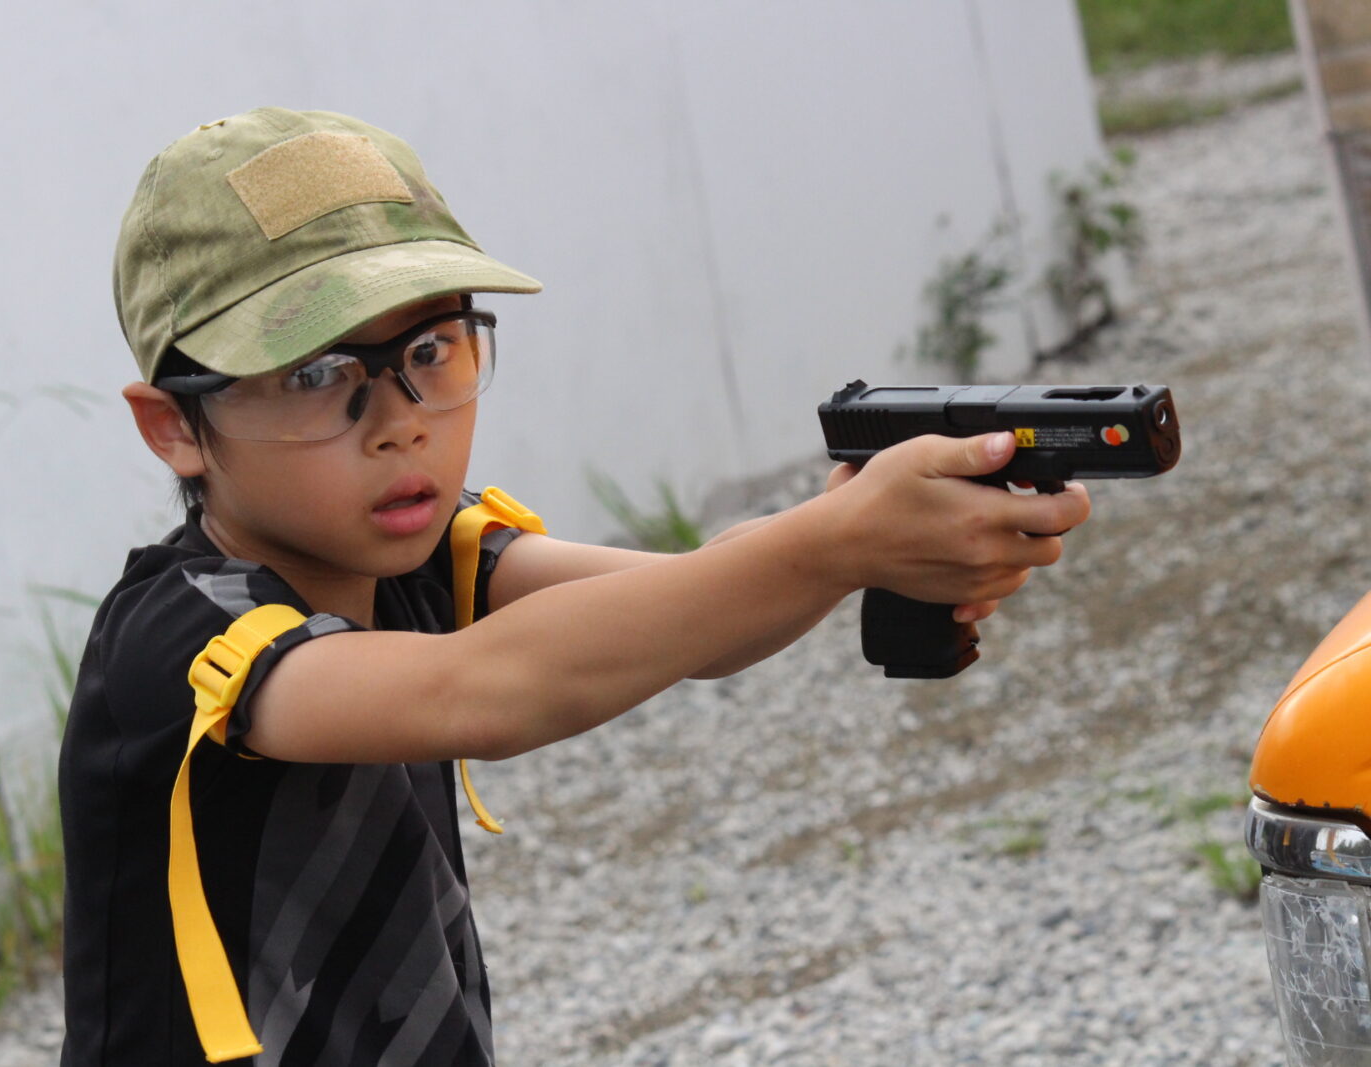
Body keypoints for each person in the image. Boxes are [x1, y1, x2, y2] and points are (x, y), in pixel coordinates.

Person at [57, 108, 1091, 1067]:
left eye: (431, 349)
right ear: (174, 425)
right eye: (317, 375)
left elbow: (690, 611)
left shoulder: (425, 555)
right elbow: (482, 690)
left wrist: (862, 537)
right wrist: (834, 541)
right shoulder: (183, 634)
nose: (400, 420)